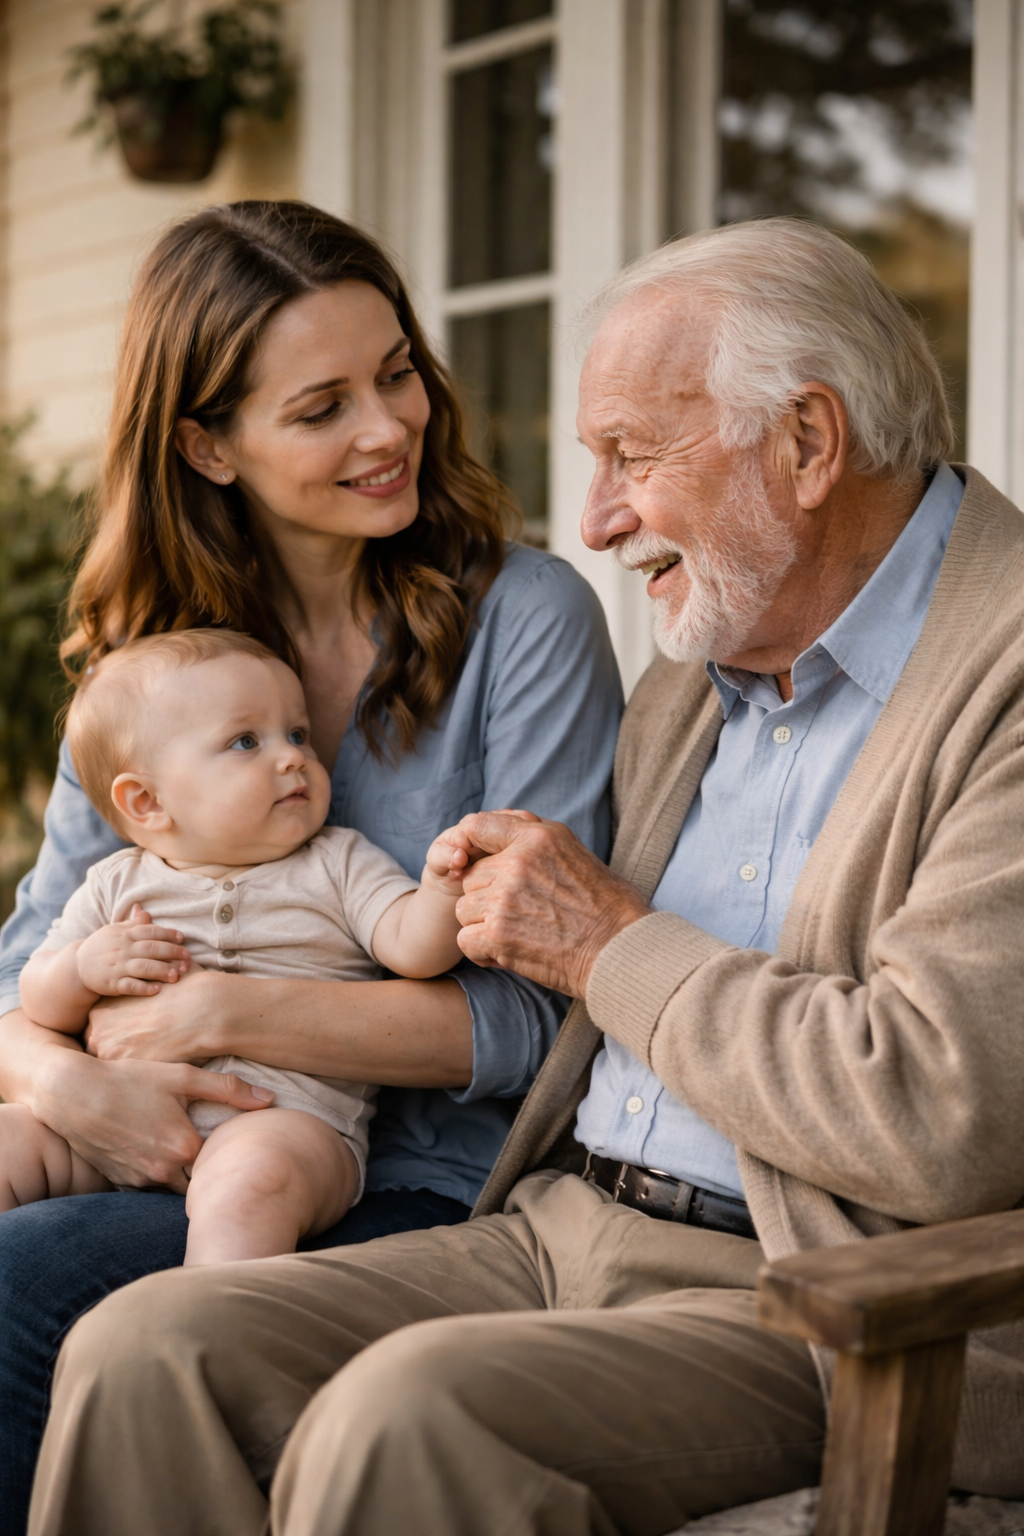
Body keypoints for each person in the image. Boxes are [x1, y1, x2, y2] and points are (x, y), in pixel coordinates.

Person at [30, 215, 1024, 1536]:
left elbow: (937, 1113)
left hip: (818, 1288)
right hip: (563, 1221)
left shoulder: (999, 676)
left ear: (806, 442)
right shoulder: (704, 669)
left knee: (405, 1413)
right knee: (149, 1350)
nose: (602, 520)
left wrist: (607, 940)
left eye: (631, 459)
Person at [0, 201, 621, 1533]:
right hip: (133, 1139)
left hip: (422, 1181)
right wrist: (71, 1087)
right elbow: (25, 971)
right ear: (206, 444)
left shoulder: (525, 620)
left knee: (18, 1286)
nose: (389, 429)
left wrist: (217, 1013)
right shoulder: (146, 666)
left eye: (397, 374)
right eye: (323, 405)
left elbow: (535, 1014)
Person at [7, 629, 489, 1264]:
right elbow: (37, 998)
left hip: (287, 1124)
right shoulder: (115, 883)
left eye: (297, 735)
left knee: (247, 1187)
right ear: (147, 802)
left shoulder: (338, 862)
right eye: (245, 742)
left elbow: (413, 949)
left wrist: (442, 887)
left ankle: (210, 1325)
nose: (291, 758)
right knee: (11, 1142)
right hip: (120, 1124)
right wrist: (81, 967)